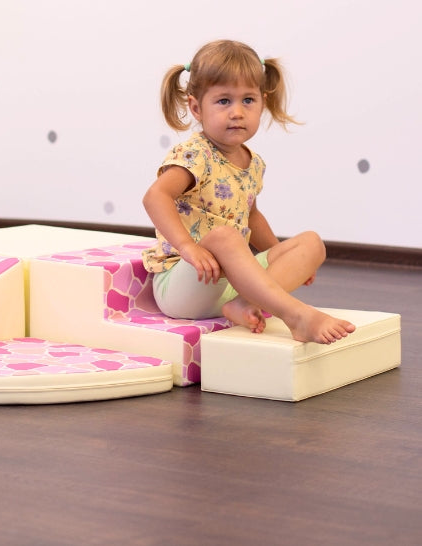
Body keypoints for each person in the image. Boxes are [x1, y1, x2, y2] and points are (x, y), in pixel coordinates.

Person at [142, 40, 355, 344]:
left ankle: (246, 304)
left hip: (228, 286)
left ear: (263, 103)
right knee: (225, 235)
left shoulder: (252, 163)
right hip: (186, 282)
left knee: (311, 243)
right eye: (224, 101)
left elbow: (251, 216)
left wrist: (285, 257)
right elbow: (155, 197)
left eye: (248, 101)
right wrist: (188, 247)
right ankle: (297, 316)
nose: (237, 113)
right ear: (196, 107)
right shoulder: (194, 155)